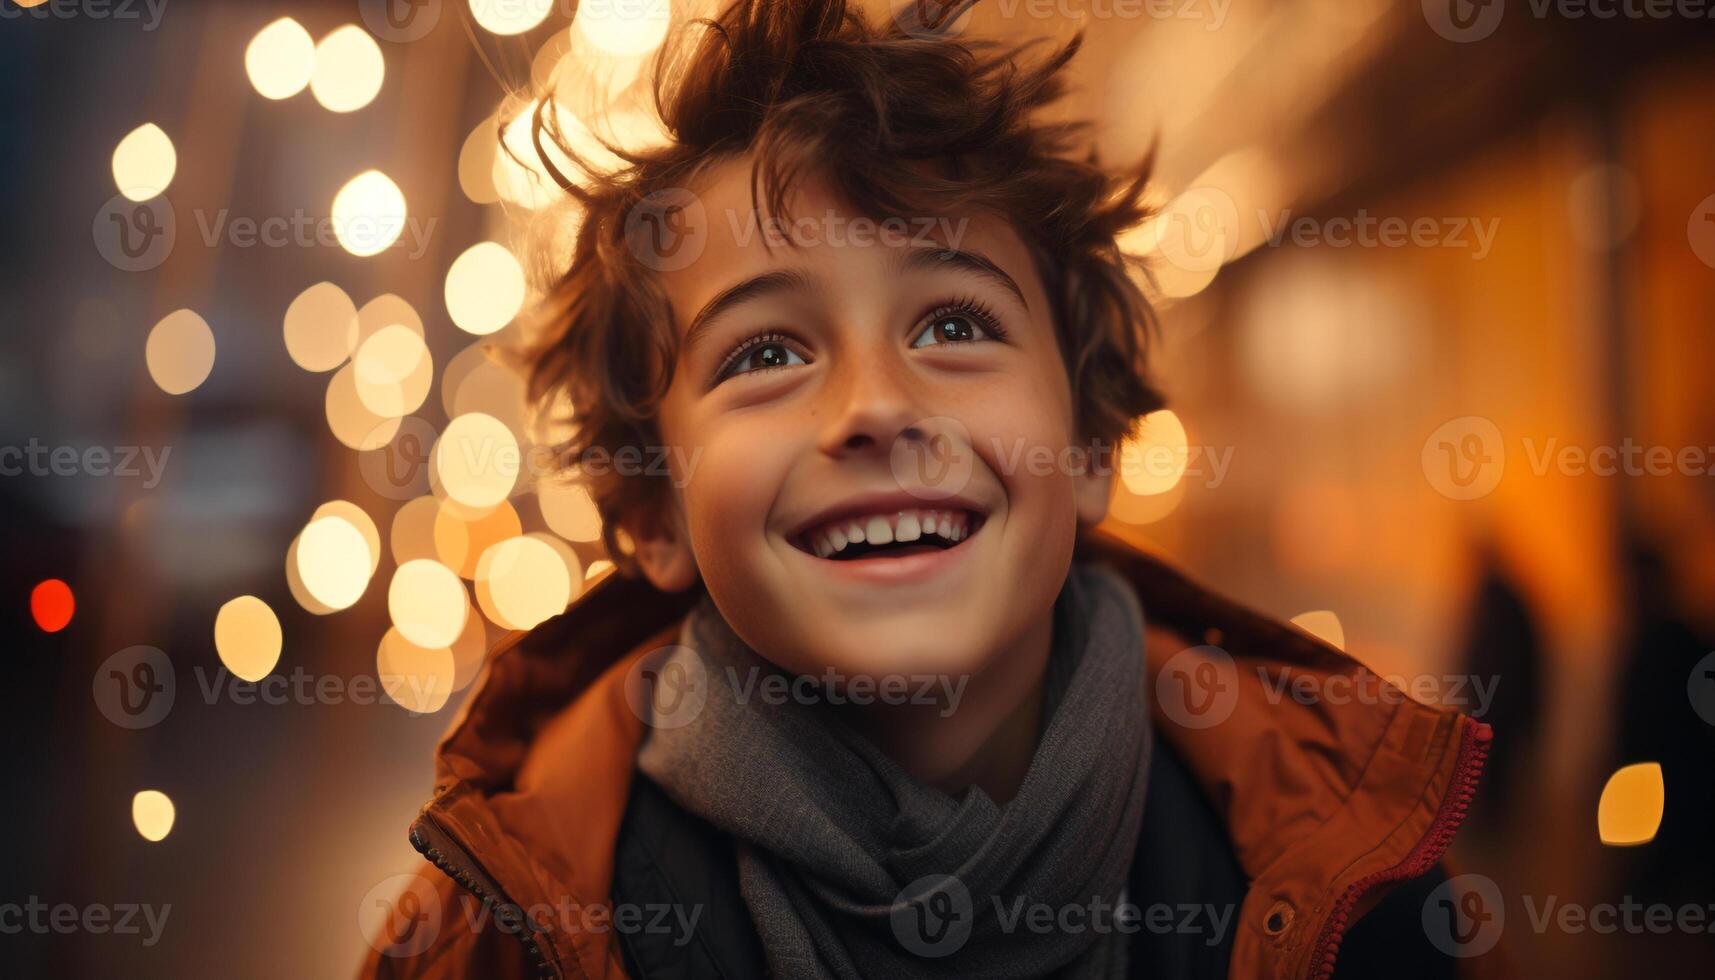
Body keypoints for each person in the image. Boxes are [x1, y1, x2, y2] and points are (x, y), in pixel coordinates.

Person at [359, 2, 1491, 977]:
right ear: (656, 513)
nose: (873, 405)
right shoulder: (487, 939)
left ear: (1092, 444)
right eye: (763, 353)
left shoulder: (1362, 897)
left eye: (955, 323)